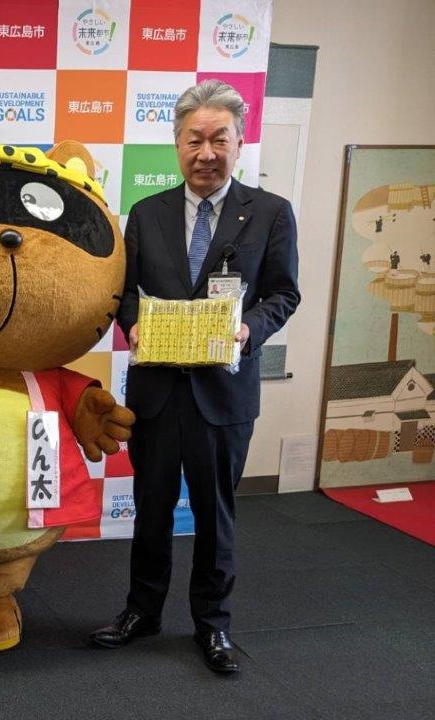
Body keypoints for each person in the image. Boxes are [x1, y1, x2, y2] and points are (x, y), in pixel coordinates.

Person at [89, 80, 300, 674]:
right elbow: (125, 295)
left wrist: (248, 329)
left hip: (223, 392)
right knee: (151, 509)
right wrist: (136, 324)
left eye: (219, 140)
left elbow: (284, 293)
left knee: (215, 514)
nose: (206, 153)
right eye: (194, 140)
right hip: (157, 391)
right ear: (177, 145)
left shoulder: (270, 212)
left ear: (239, 142)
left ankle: (213, 625)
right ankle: (142, 611)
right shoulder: (147, 213)